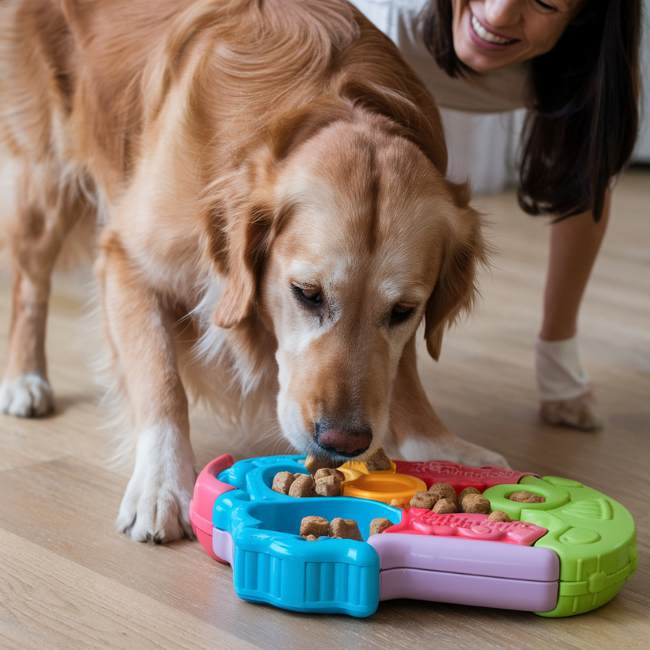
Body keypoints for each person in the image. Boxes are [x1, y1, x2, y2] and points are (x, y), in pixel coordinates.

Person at [349, 0, 641, 430]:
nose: (499, 14)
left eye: (543, 1)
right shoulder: (386, 18)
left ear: (584, 15)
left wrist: (558, 359)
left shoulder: (594, 69)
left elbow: (582, 188)